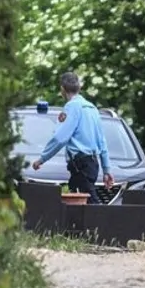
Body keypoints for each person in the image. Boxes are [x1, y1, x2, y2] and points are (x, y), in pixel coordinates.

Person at [32, 72, 114, 203]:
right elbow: (102, 142)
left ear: (62, 89)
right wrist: (106, 169)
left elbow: (60, 138)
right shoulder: (92, 109)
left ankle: (106, 223)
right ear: (79, 88)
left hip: (80, 164)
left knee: (91, 204)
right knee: (75, 204)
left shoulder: (71, 107)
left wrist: (42, 159)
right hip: (93, 163)